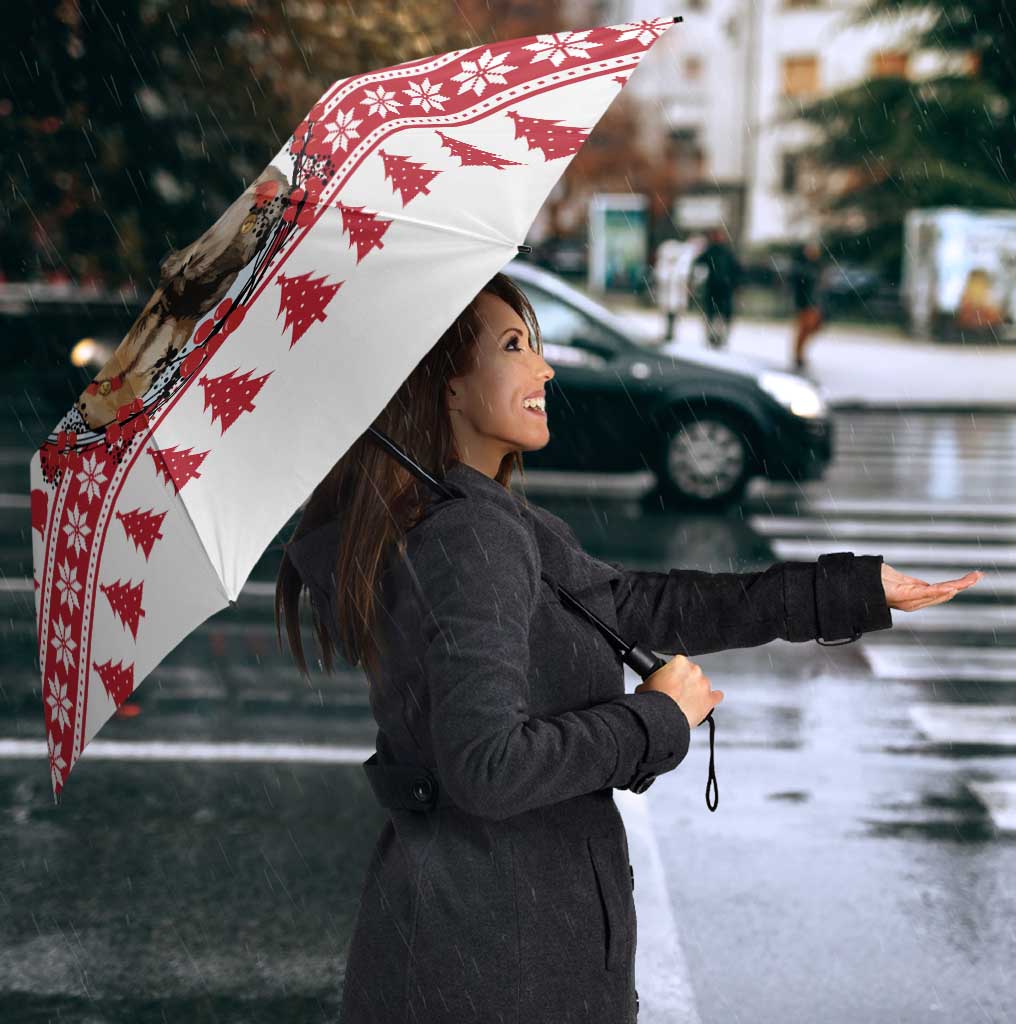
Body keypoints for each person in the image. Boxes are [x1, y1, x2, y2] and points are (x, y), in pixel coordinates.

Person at [274, 271, 938, 1024]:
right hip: (502, 959)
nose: (545, 367)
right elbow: (487, 767)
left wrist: (849, 591)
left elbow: (639, 605)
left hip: (463, 938)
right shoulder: (472, 536)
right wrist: (655, 720)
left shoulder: (466, 520)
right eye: (515, 346)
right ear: (447, 387)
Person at [692, 226, 742, 349]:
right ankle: (713, 337)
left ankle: (719, 337)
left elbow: (736, 270)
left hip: (723, 288)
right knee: (713, 314)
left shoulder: (725, 252)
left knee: (720, 315)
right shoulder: (712, 251)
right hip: (715, 288)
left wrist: (735, 284)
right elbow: (698, 264)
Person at [790, 239, 826, 371]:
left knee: (812, 328)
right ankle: (798, 355)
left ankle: (800, 354)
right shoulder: (802, 267)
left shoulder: (817, 266)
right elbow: (799, 286)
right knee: (804, 329)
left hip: (814, 303)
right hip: (805, 303)